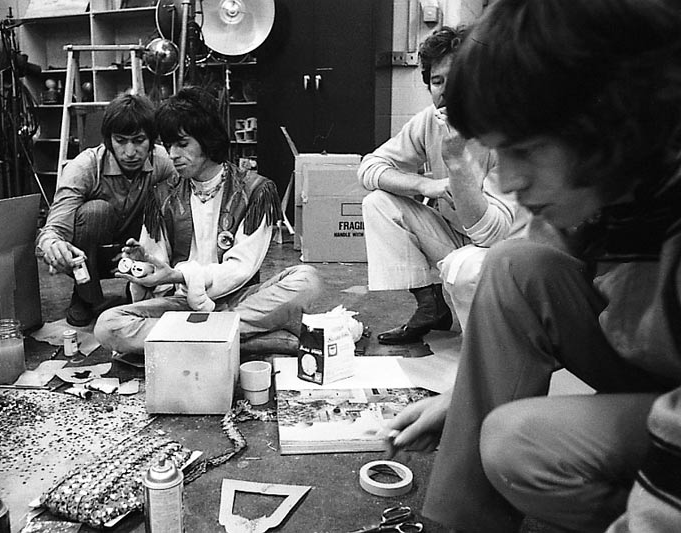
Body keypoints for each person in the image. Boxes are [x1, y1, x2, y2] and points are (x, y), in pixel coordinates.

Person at [384, 1, 681, 532]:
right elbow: (524, 277)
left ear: (610, 120)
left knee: (522, 446)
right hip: (656, 373)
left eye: (524, 150)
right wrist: (463, 398)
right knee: (514, 265)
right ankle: (461, 524)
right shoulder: (600, 190)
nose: (510, 180)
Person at [94, 86, 322, 355]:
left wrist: (182, 274)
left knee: (308, 280)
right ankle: (242, 337)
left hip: (240, 299)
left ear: (207, 139)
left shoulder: (255, 191)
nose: (173, 154)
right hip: (180, 305)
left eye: (182, 144)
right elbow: (159, 276)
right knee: (108, 325)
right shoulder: (163, 195)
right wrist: (142, 266)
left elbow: (241, 269)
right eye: (168, 146)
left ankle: (205, 337)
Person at [358, 26, 527, 345]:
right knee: (378, 203)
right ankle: (431, 307)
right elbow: (370, 168)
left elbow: (492, 234)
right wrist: (426, 185)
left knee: (466, 266)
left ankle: (489, 342)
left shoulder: (506, 130)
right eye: (437, 82)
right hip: (457, 235)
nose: (446, 92)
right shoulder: (429, 121)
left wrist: (456, 159)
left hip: (505, 251)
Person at [36, 92, 176, 327]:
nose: (130, 152)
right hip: (92, 255)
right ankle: (85, 296)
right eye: (121, 141)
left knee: (168, 202)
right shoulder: (84, 166)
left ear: (152, 140)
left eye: (139, 140)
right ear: (108, 141)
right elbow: (53, 229)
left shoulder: (164, 162)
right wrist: (53, 246)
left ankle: (141, 286)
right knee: (95, 212)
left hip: (139, 249)